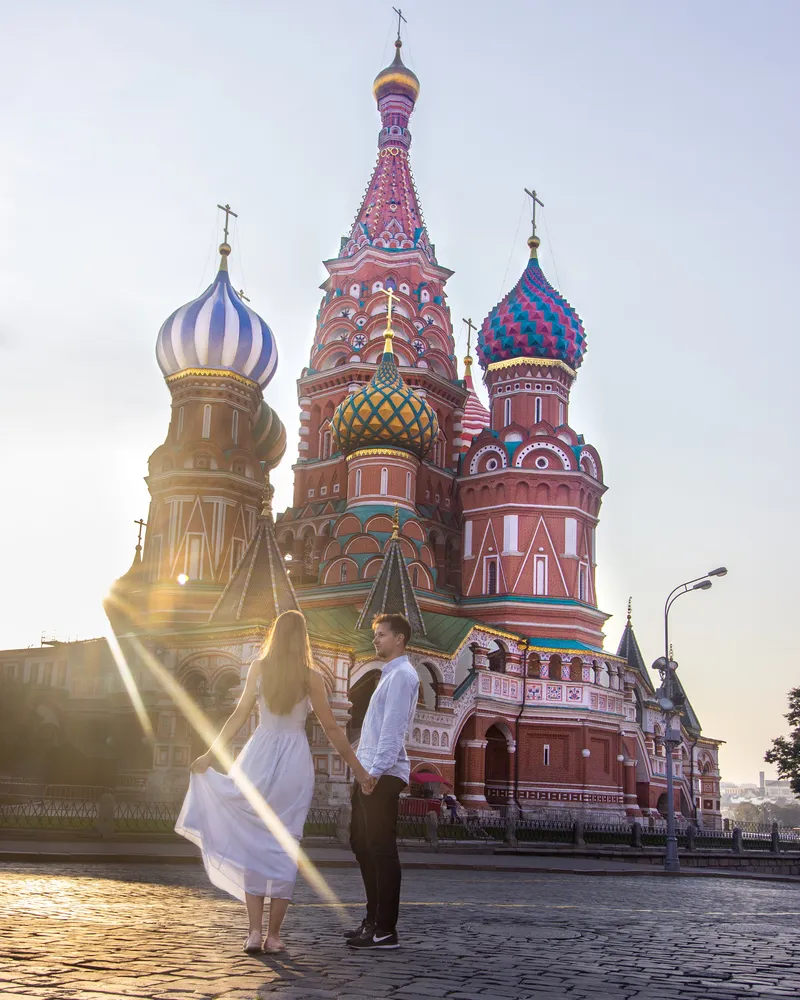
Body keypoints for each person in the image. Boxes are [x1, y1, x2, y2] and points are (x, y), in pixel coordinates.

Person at [175, 609, 371, 955]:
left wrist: (209, 755)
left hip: (258, 755)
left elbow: (237, 716)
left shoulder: (258, 668)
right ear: (303, 639)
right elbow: (331, 728)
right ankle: (274, 936)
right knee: (286, 843)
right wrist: (357, 768)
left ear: (275, 636)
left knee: (253, 840)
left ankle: (253, 932)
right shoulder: (312, 676)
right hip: (294, 762)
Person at [346, 612, 420, 951]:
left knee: (381, 851)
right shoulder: (388, 675)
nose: (375, 640)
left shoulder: (403, 676)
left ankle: (386, 929)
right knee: (362, 847)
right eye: (375, 635)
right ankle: (372, 920)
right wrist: (360, 769)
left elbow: (392, 730)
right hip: (369, 772)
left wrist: (374, 773)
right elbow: (373, 730)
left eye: (381, 634)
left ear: (399, 639)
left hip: (383, 775)